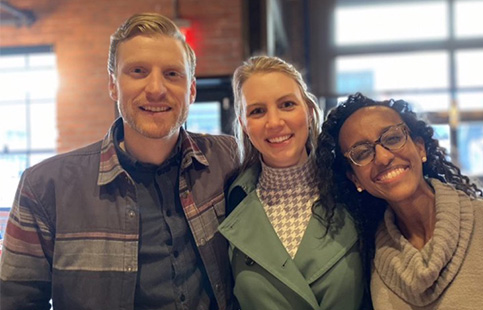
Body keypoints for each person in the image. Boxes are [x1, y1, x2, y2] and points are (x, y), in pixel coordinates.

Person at [0, 13, 239, 310]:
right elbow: (14, 302)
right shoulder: (45, 188)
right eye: (138, 71)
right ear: (113, 85)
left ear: (191, 90)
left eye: (172, 74)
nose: (155, 89)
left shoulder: (228, 159)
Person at [315, 93, 483, 310]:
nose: (384, 157)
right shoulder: (370, 260)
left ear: (420, 147)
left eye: (393, 138)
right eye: (362, 153)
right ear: (355, 179)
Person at [218, 56, 364, 310]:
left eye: (287, 104)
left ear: (308, 112)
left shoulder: (353, 188)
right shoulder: (232, 198)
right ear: (243, 124)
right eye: (257, 111)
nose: (274, 123)